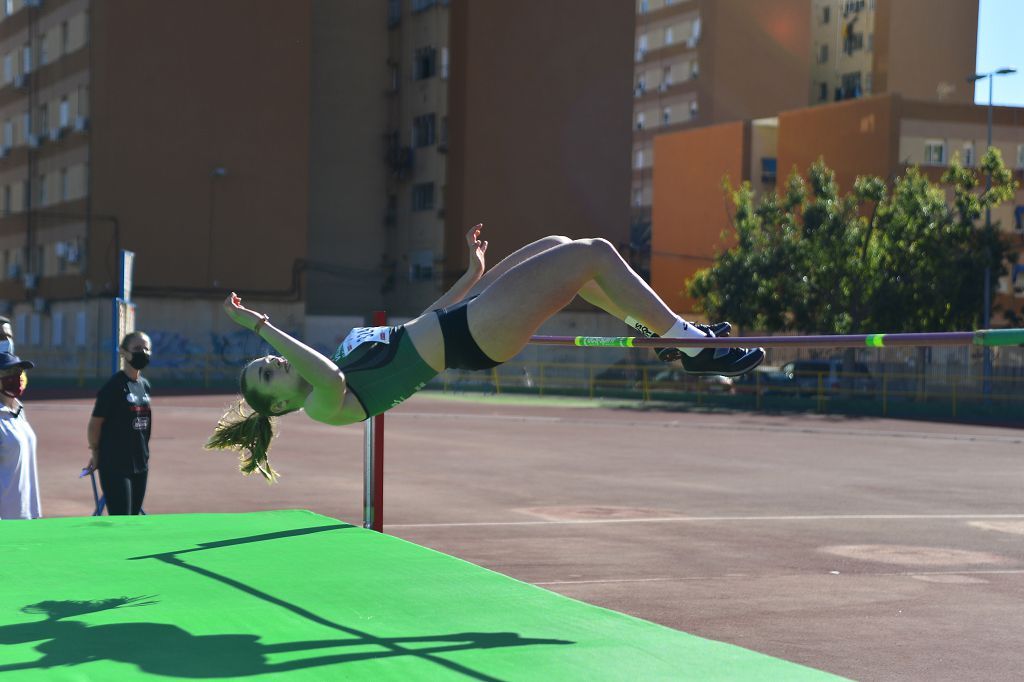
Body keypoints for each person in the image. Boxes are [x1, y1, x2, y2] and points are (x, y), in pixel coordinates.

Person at [208, 225, 764, 481]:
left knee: (560, 245)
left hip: (458, 322)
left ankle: (656, 334)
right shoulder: (322, 405)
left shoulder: (336, 360)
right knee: (592, 254)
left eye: (265, 361)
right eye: (267, 373)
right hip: (473, 339)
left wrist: (472, 274)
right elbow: (326, 373)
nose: (274, 364)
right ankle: (688, 345)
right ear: (277, 406)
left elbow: (422, 323)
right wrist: (261, 326)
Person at [84, 331, 153, 515]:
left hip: (141, 463)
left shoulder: (145, 385)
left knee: (134, 517)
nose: (143, 352)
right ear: (123, 352)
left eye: (147, 349)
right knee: (121, 518)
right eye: (137, 348)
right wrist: (95, 452)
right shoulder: (113, 386)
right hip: (115, 465)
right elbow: (95, 424)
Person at [0, 351, 40, 519]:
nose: (16, 377)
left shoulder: (18, 410)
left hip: (27, 512)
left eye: (18, 372)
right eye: (9, 373)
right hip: (5, 518)